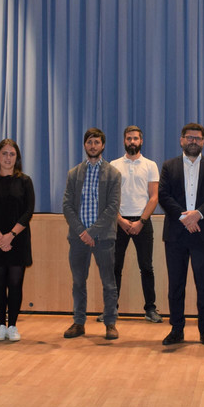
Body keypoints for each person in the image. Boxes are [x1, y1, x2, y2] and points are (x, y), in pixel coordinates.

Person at [157, 123, 204, 346]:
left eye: (197, 138)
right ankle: (177, 329)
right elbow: (163, 195)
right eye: (189, 137)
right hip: (176, 235)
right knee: (176, 285)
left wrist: (197, 215)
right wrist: (184, 217)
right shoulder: (169, 166)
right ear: (181, 140)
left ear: (203, 141)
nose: (193, 141)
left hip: (203, 234)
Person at [62, 128, 122, 340]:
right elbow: (67, 206)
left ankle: (110, 323)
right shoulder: (74, 173)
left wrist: (92, 232)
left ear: (103, 145)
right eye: (89, 142)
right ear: (85, 145)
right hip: (78, 238)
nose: (93, 146)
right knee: (78, 282)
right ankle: (79, 323)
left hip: (103, 238)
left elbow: (113, 207)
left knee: (109, 283)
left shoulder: (113, 174)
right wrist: (82, 232)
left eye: (97, 142)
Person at [106, 125, 163, 323]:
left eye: (135, 138)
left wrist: (141, 221)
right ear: (124, 141)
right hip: (118, 222)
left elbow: (154, 197)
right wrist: (120, 220)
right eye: (129, 138)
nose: (132, 142)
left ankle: (150, 309)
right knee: (115, 267)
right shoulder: (113, 165)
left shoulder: (150, 165)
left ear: (141, 141)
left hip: (143, 222)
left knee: (146, 267)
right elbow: (109, 197)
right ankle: (111, 309)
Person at [0, 138, 35, 342]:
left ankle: (12, 325)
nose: (8, 158)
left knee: (15, 284)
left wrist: (10, 235)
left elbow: (28, 211)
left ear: (17, 158)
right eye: (4, 153)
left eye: (12, 154)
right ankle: (0, 325)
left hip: (18, 240)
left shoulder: (25, 181)